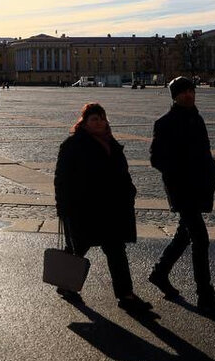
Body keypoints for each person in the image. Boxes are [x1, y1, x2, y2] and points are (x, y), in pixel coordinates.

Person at [54, 103, 152, 313]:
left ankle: (125, 294)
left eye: (101, 118)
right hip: (84, 207)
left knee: (116, 250)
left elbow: (122, 173)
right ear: (84, 122)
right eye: (93, 119)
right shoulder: (72, 145)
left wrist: (129, 191)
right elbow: (61, 179)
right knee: (78, 248)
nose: (99, 123)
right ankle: (66, 284)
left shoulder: (111, 143)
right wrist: (62, 207)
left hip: (111, 207)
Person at [149, 77, 215, 316]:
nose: (188, 95)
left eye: (191, 91)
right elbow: (156, 159)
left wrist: (210, 171)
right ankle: (205, 296)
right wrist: (180, 171)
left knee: (183, 236)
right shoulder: (164, 123)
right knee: (200, 240)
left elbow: (205, 149)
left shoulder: (197, 118)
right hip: (182, 189)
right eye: (183, 92)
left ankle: (160, 273)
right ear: (174, 96)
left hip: (200, 186)